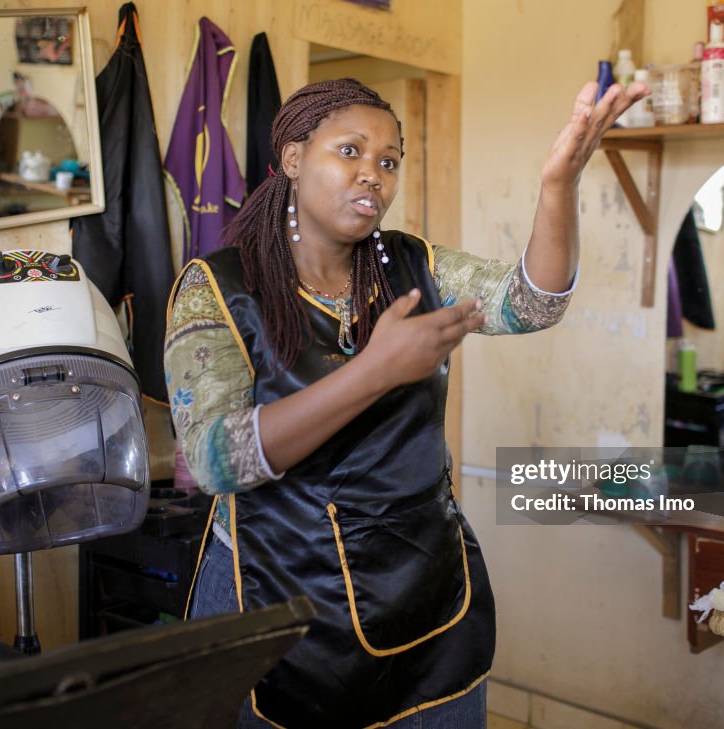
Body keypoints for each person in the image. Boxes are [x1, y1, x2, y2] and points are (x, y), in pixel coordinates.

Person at [164, 77, 646, 727]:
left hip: (427, 595)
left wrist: (559, 184)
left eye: (388, 161)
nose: (373, 175)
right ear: (294, 158)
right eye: (351, 152)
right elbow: (217, 461)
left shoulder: (411, 265)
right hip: (283, 605)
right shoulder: (217, 289)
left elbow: (532, 304)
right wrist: (375, 370)